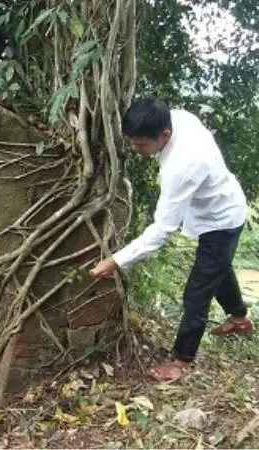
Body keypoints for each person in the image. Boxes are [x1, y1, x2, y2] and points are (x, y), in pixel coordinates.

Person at [89, 97, 253, 381]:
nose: (134, 149)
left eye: (140, 145)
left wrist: (115, 260)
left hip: (221, 221)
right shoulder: (177, 118)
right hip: (215, 208)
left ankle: (181, 361)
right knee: (219, 268)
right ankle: (239, 318)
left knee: (196, 294)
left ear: (164, 135)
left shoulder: (182, 167)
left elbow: (162, 230)